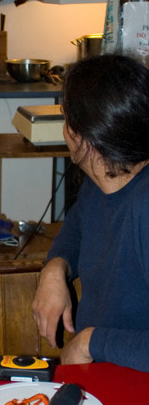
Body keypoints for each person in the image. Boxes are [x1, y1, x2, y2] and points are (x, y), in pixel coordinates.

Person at [31, 54, 149, 372]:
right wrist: (55, 269)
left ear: (82, 136)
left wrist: (90, 342)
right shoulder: (104, 177)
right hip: (106, 374)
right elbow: (78, 228)